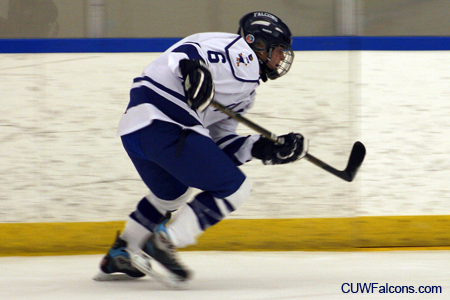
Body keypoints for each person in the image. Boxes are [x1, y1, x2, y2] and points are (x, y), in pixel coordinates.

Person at [94, 11, 308, 284]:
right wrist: (191, 68)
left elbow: (220, 144)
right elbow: (185, 52)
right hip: (165, 122)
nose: (281, 59)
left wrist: (263, 148)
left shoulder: (247, 92)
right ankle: (164, 241)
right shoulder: (237, 52)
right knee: (236, 188)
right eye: (278, 51)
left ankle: (122, 250)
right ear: (258, 44)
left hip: (137, 130)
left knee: (171, 195)